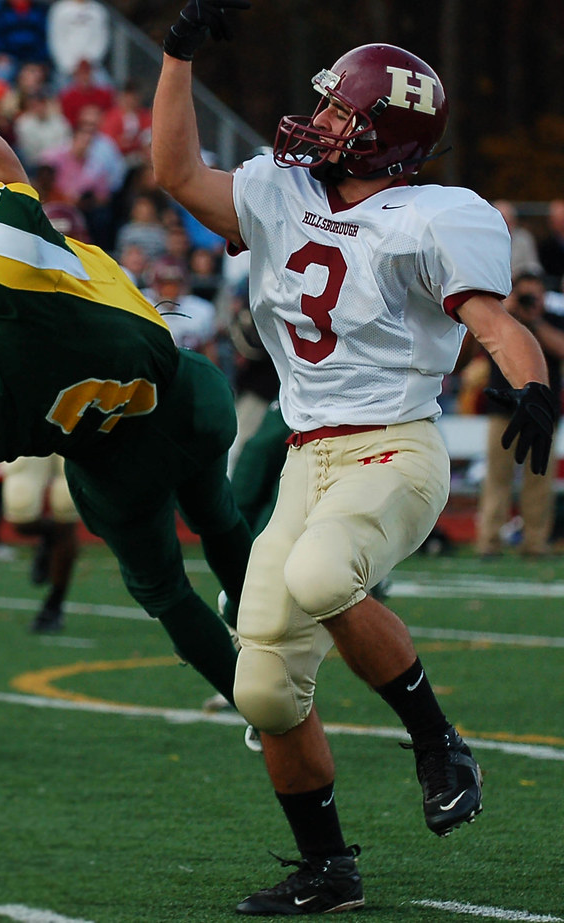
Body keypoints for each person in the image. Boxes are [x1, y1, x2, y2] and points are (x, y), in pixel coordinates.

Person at [151, 3, 557, 914]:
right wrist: (178, 56)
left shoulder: (434, 217)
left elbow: (495, 322)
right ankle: (329, 867)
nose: (321, 122)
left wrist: (531, 386)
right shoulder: (281, 192)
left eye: (342, 112)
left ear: (385, 136)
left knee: (324, 569)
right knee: (261, 689)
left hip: (393, 451)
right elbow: (175, 170)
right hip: (307, 456)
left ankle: (437, 740)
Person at [0, 18, 251, 715]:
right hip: (179, 398)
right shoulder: (14, 290)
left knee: (164, 592)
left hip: (106, 463)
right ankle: (274, 637)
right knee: (216, 514)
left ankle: (260, 703)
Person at [475, 272, 564, 557]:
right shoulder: (500, 320)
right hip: (502, 410)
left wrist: (536, 321)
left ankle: (535, 542)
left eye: (533, 295)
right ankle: (489, 541)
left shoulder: (550, 319)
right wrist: (508, 313)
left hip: (542, 411)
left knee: (538, 478)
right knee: (496, 477)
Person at [1, 454, 80, 633]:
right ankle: (50, 536)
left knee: (66, 506)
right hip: (36, 425)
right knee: (21, 509)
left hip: (78, 428)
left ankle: (55, 603)